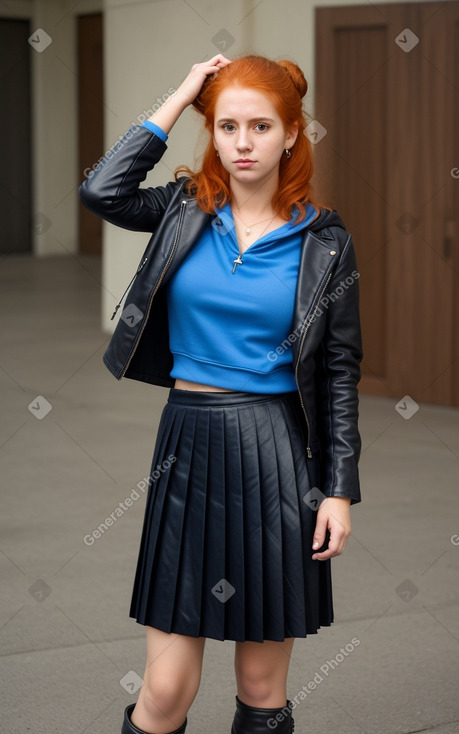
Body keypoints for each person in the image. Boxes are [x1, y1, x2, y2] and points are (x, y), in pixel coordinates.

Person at [79, 53, 363, 734]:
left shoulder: (323, 241)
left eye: (260, 126)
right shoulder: (183, 208)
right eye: (227, 126)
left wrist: (338, 489)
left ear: (292, 133)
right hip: (188, 445)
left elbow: (339, 371)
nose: (241, 143)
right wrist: (180, 94)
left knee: (262, 687)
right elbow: (101, 191)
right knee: (166, 690)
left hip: (277, 455)